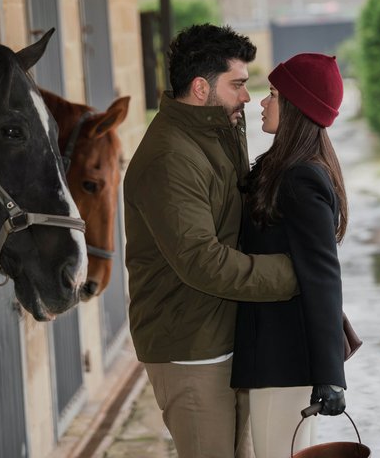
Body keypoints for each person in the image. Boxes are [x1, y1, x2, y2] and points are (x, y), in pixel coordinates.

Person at [124, 24, 301, 458]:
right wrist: (293, 273)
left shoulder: (219, 129)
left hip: (226, 331)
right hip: (190, 347)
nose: (247, 97)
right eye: (237, 84)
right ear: (201, 88)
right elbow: (202, 261)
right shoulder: (169, 157)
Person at [230, 53, 351, 458]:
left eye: (274, 95)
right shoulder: (284, 168)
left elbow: (323, 276)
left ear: (298, 107)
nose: (263, 102)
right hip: (276, 355)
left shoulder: (301, 177)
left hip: (286, 359)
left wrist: (331, 376)